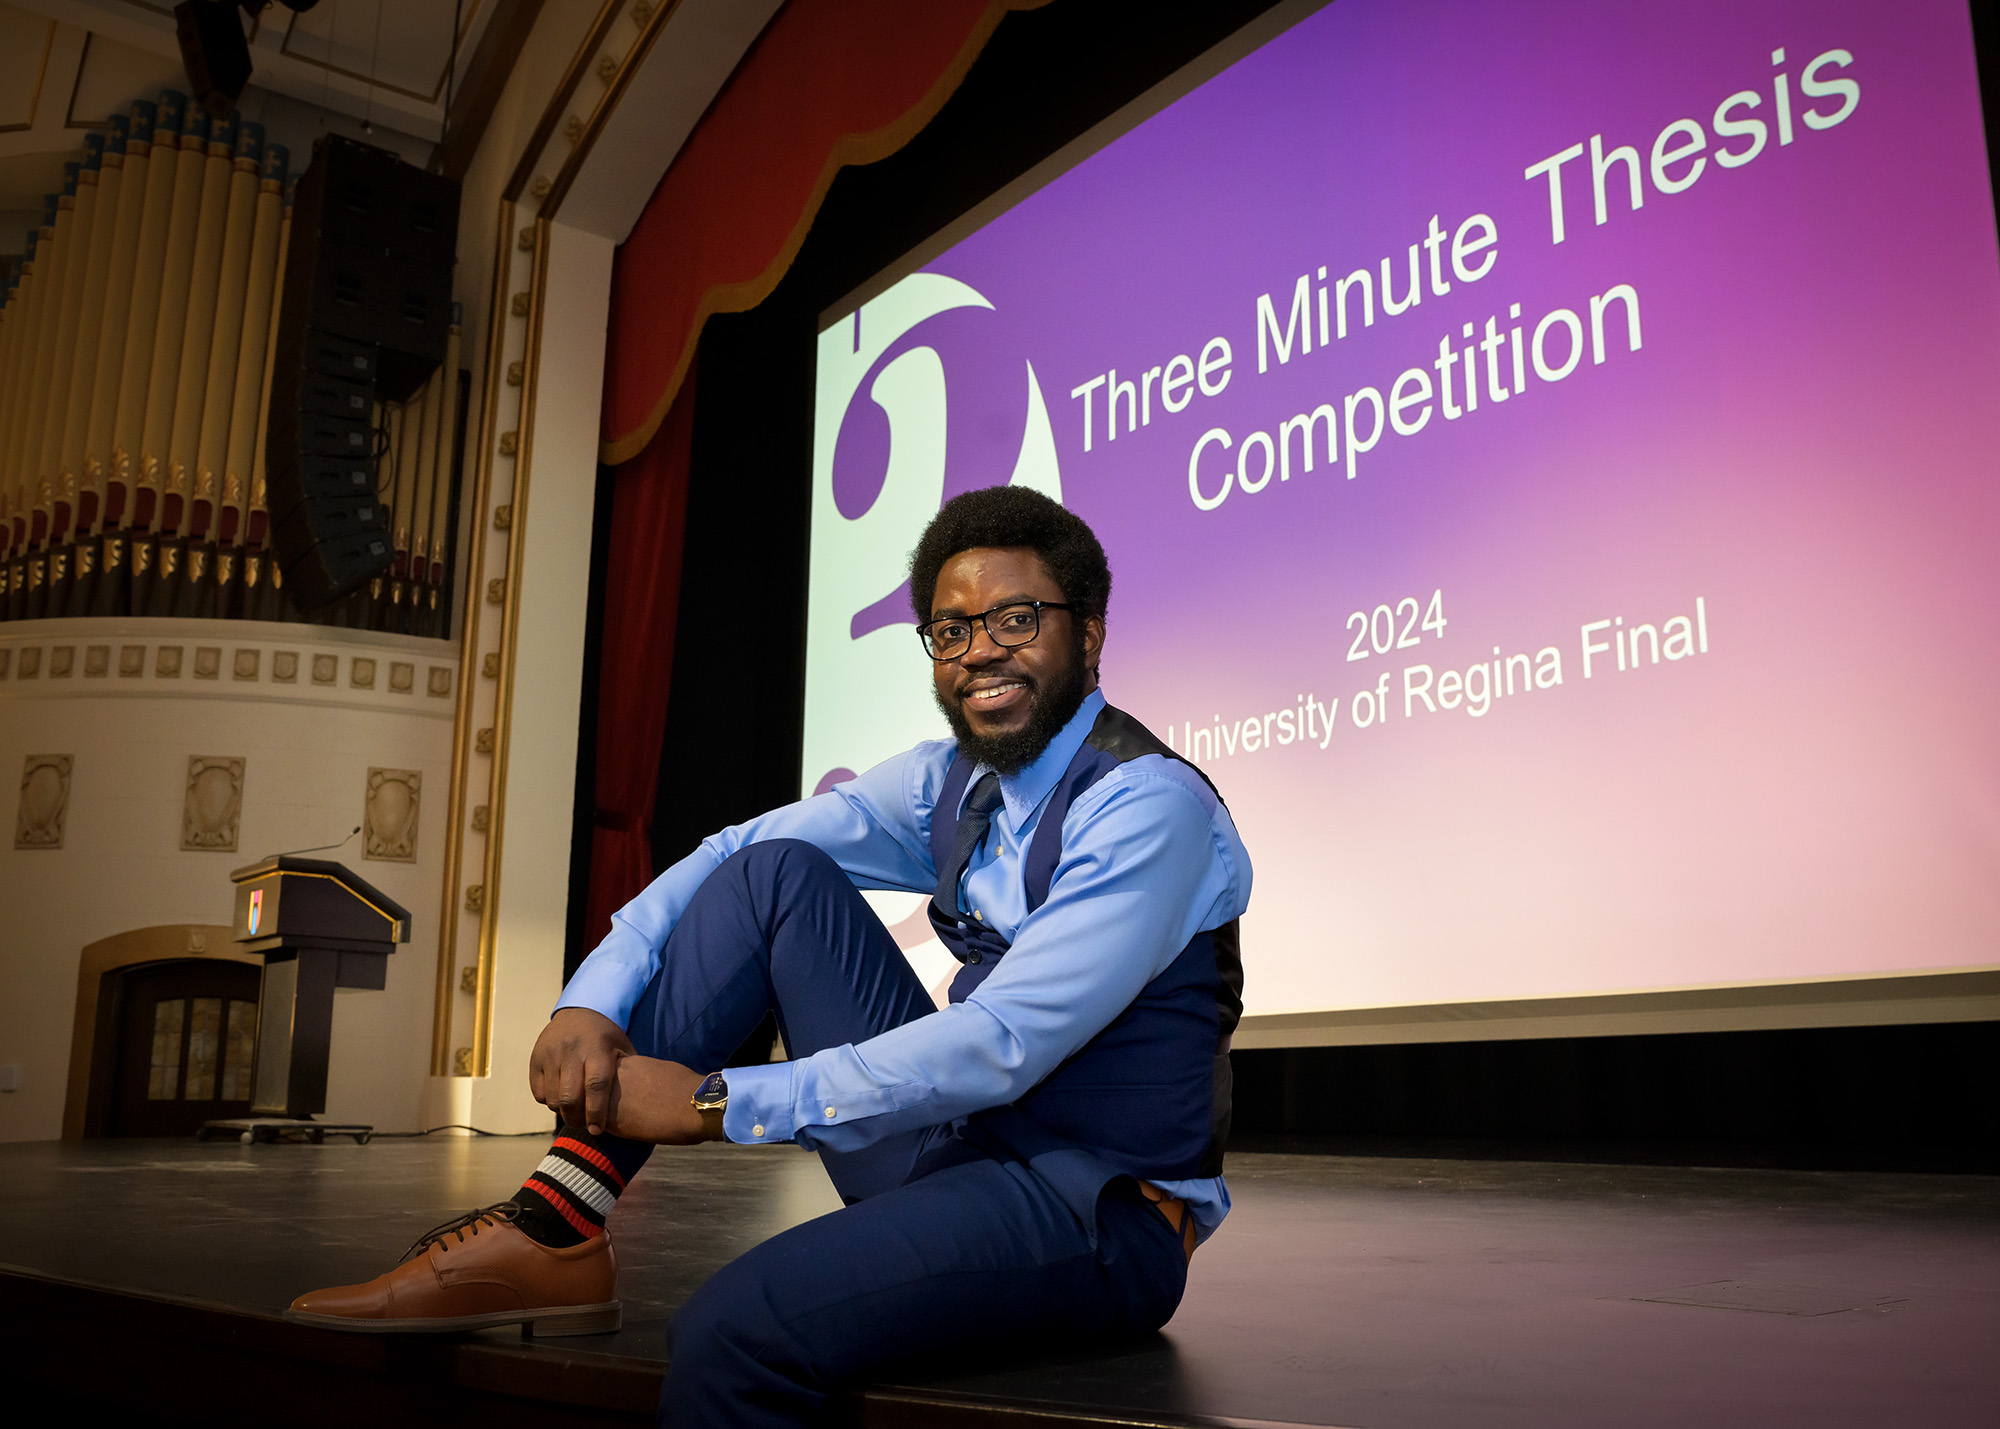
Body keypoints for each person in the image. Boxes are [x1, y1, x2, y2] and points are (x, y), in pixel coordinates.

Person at [288, 485, 1251, 1427]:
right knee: (770, 876)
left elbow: (1002, 1041)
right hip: (964, 1145)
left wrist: (720, 1101)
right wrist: (593, 995)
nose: (978, 652)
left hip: (1091, 1211)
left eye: (1015, 618)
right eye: (950, 631)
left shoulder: (1146, 805)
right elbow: (731, 852)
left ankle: (569, 1230)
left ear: (1087, 635)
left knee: (733, 1333)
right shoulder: (948, 782)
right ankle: (558, 1223)